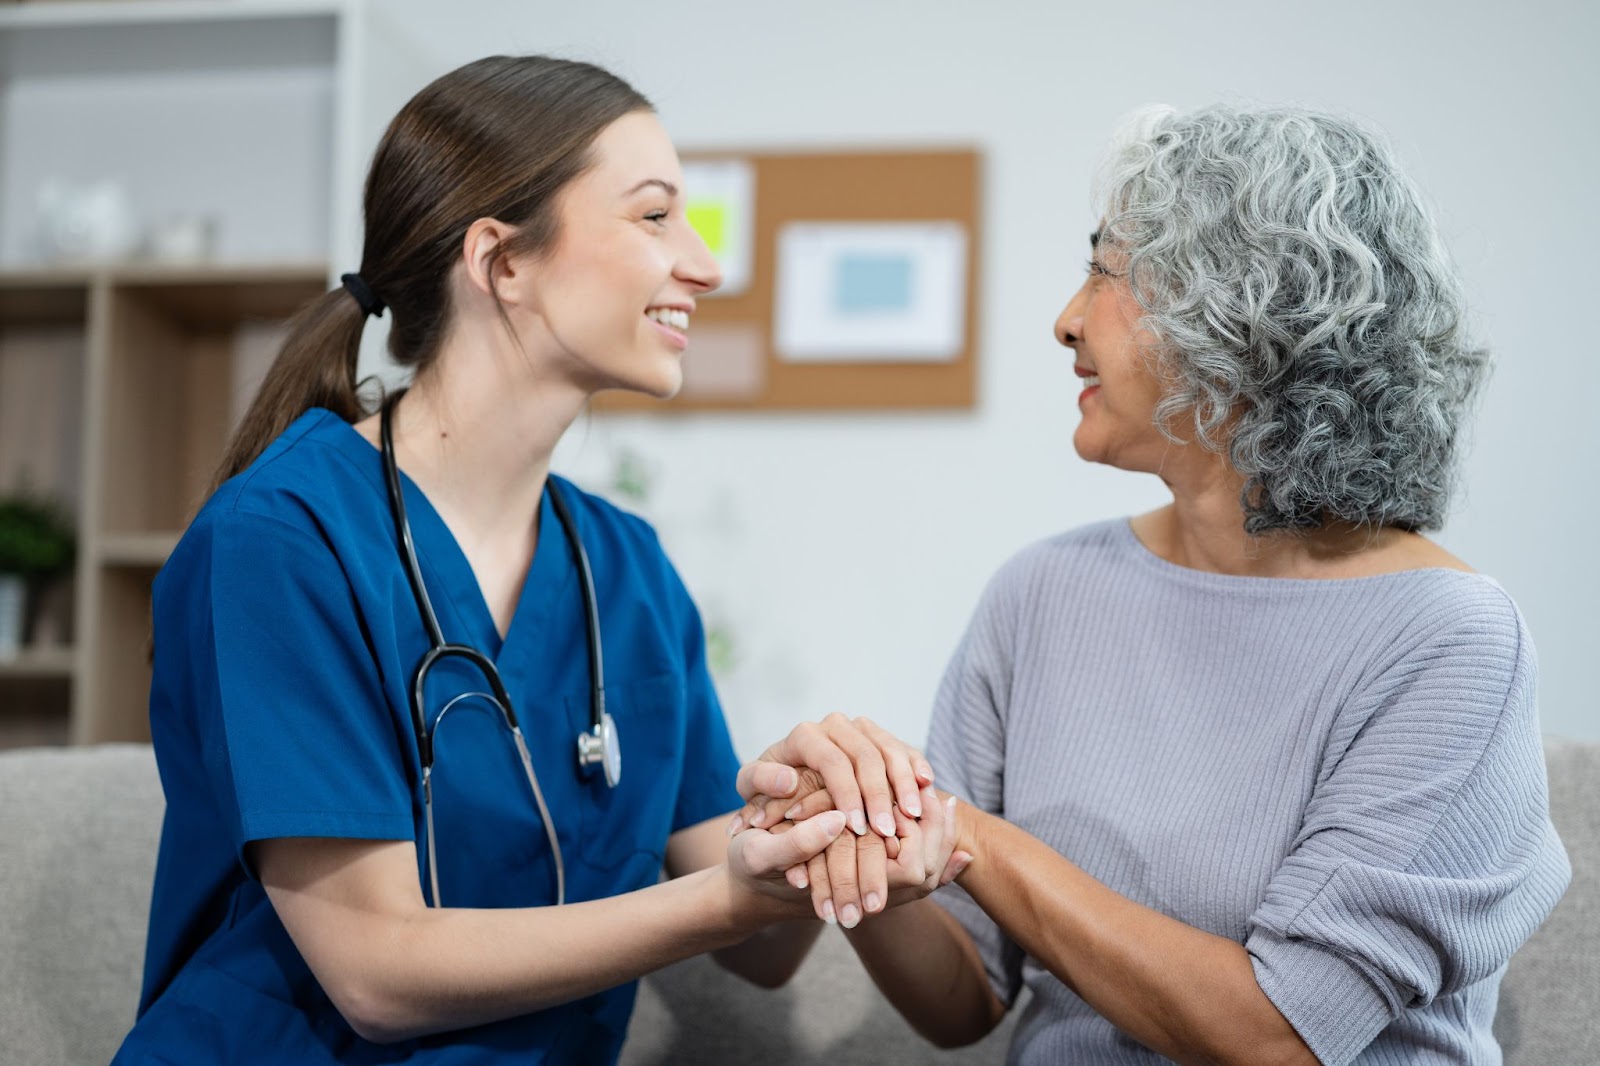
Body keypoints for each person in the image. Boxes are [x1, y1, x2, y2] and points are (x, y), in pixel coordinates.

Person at [112, 55, 958, 1065]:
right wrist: (721, 896)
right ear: (501, 262)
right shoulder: (283, 538)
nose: (704, 263)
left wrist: (814, 825)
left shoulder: (625, 571)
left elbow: (767, 952)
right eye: (654, 217)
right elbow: (376, 970)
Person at [738, 105, 1572, 1064]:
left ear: (1244, 314)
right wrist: (859, 835)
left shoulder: (1449, 642)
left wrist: (975, 839)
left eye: (1105, 271)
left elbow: (1282, 1038)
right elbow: (962, 1003)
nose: (1064, 319)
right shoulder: (1040, 593)